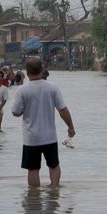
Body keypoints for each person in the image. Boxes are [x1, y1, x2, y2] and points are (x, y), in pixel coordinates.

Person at [11, 57, 74, 187]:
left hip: (31, 138)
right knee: (54, 165)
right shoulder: (52, 87)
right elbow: (62, 110)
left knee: (33, 169)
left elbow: (15, 112)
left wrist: (25, 110)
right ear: (42, 69)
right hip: (49, 137)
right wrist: (71, 127)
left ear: (27, 72)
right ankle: (55, 190)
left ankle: (34, 198)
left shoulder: (22, 90)